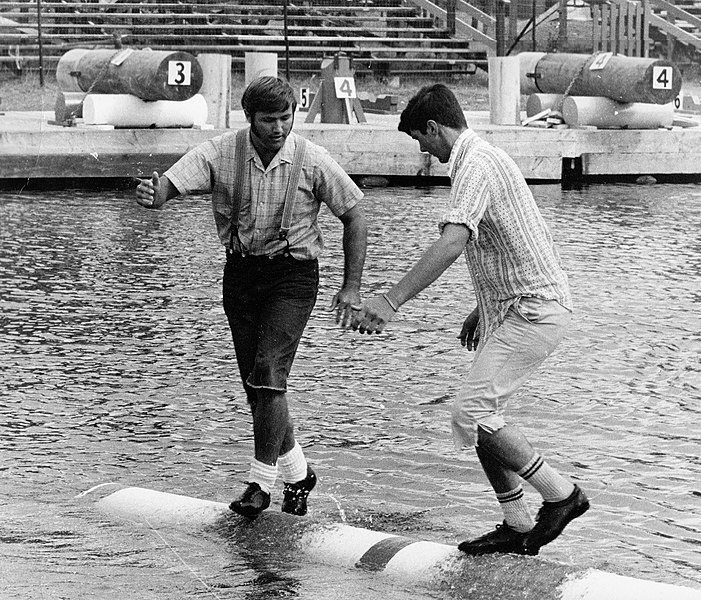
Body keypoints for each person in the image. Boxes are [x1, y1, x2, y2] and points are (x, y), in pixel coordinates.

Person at [350, 84, 588, 556]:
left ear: (436, 128)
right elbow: (516, 233)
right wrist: (485, 305)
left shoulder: (474, 165)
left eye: (422, 139)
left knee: (470, 412)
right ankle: (517, 523)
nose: (424, 151)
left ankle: (562, 496)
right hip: (516, 306)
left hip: (534, 311)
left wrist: (390, 301)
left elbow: (453, 242)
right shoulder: (485, 157)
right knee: (481, 416)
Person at [135, 76, 367, 520]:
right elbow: (169, 185)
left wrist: (350, 286)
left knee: (267, 375)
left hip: (293, 276)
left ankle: (260, 483)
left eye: (286, 117)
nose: (279, 128)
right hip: (241, 274)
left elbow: (356, 215)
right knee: (257, 388)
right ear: (249, 119)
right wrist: (154, 194)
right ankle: (299, 474)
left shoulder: (313, 159)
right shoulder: (221, 152)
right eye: (269, 120)